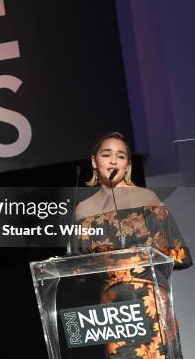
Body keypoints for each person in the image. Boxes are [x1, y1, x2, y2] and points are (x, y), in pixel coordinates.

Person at [71, 132, 192, 358]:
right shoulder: (84, 211)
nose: (114, 161)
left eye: (121, 156)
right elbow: (78, 269)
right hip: (115, 313)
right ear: (94, 162)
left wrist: (140, 259)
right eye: (107, 155)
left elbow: (180, 254)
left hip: (151, 302)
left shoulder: (148, 198)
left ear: (127, 165)